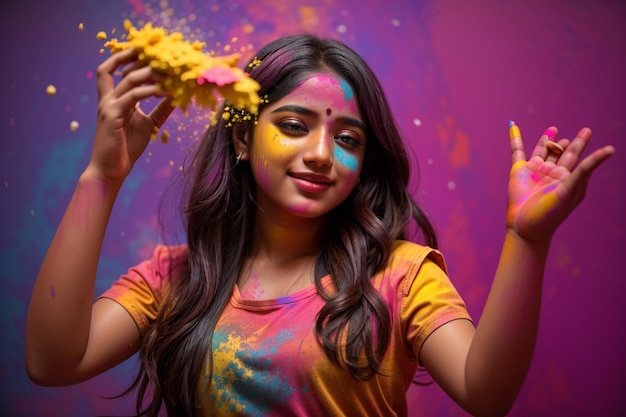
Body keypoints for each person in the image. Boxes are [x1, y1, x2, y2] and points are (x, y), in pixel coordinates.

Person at [25, 34, 615, 417]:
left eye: (348, 139)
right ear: (240, 135)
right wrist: (101, 178)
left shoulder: (401, 278)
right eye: (294, 124)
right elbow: (52, 363)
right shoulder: (174, 278)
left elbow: (486, 396)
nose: (321, 153)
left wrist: (527, 239)